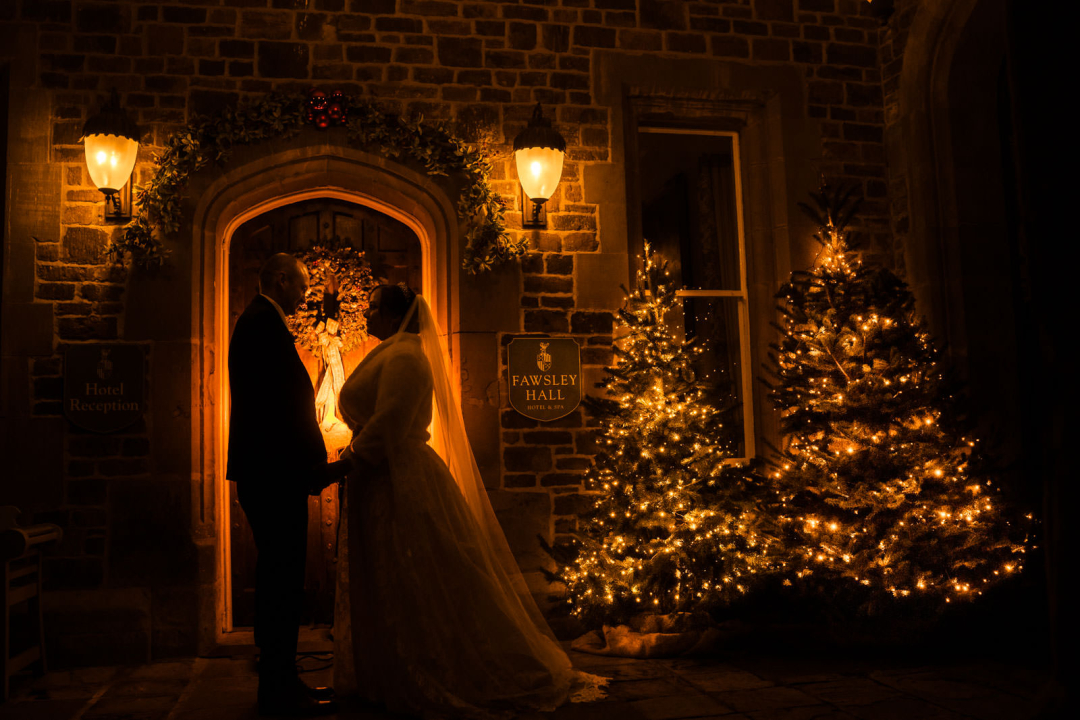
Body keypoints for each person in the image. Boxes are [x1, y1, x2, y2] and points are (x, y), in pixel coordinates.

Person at [333, 284, 607, 719]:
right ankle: (387, 669)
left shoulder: (405, 358)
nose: (364, 316)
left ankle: (427, 666)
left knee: (412, 574)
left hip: (398, 477)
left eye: (371, 309)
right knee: (390, 575)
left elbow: (388, 424)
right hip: (380, 477)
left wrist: (346, 462)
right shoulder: (392, 352)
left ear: (391, 314)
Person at [227, 253, 349, 717]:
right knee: (283, 583)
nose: (304, 295)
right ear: (280, 280)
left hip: (268, 473)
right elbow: (281, 410)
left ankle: (279, 680)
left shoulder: (259, 321)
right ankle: (279, 689)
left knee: (277, 578)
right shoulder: (262, 323)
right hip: (274, 476)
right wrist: (316, 469)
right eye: (300, 286)